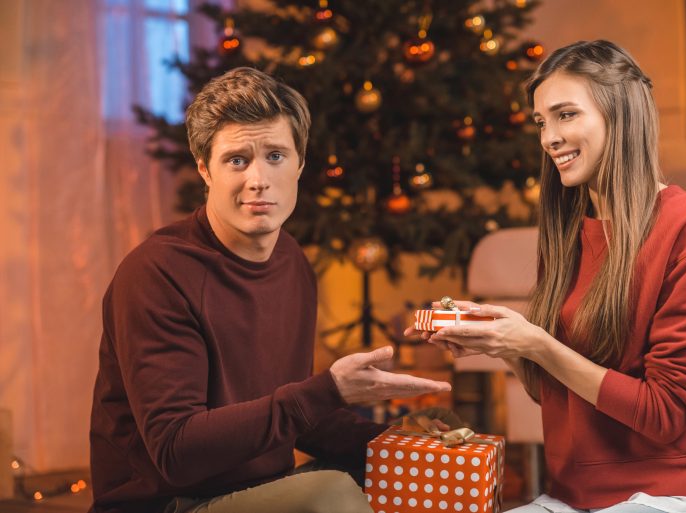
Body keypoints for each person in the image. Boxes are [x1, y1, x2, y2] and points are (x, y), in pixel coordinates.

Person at [88, 67, 452, 513]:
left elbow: (293, 419)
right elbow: (176, 452)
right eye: (237, 159)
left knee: (417, 458)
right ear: (205, 169)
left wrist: (401, 442)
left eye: (275, 156)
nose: (258, 179)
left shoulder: (292, 262)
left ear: (300, 162)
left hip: (259, 491)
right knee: (332, 494)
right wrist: (329, 390)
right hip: (171, 503)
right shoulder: (157, 273)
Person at [409, 40, 686, 513]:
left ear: (621, 114)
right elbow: (560, 386)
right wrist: (503, 341)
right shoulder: (570, 229)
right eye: (541, 122)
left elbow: (665, 414)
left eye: (565, 115)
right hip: (577, 495)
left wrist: (535, 343)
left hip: (673, 490)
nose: (548, 137)